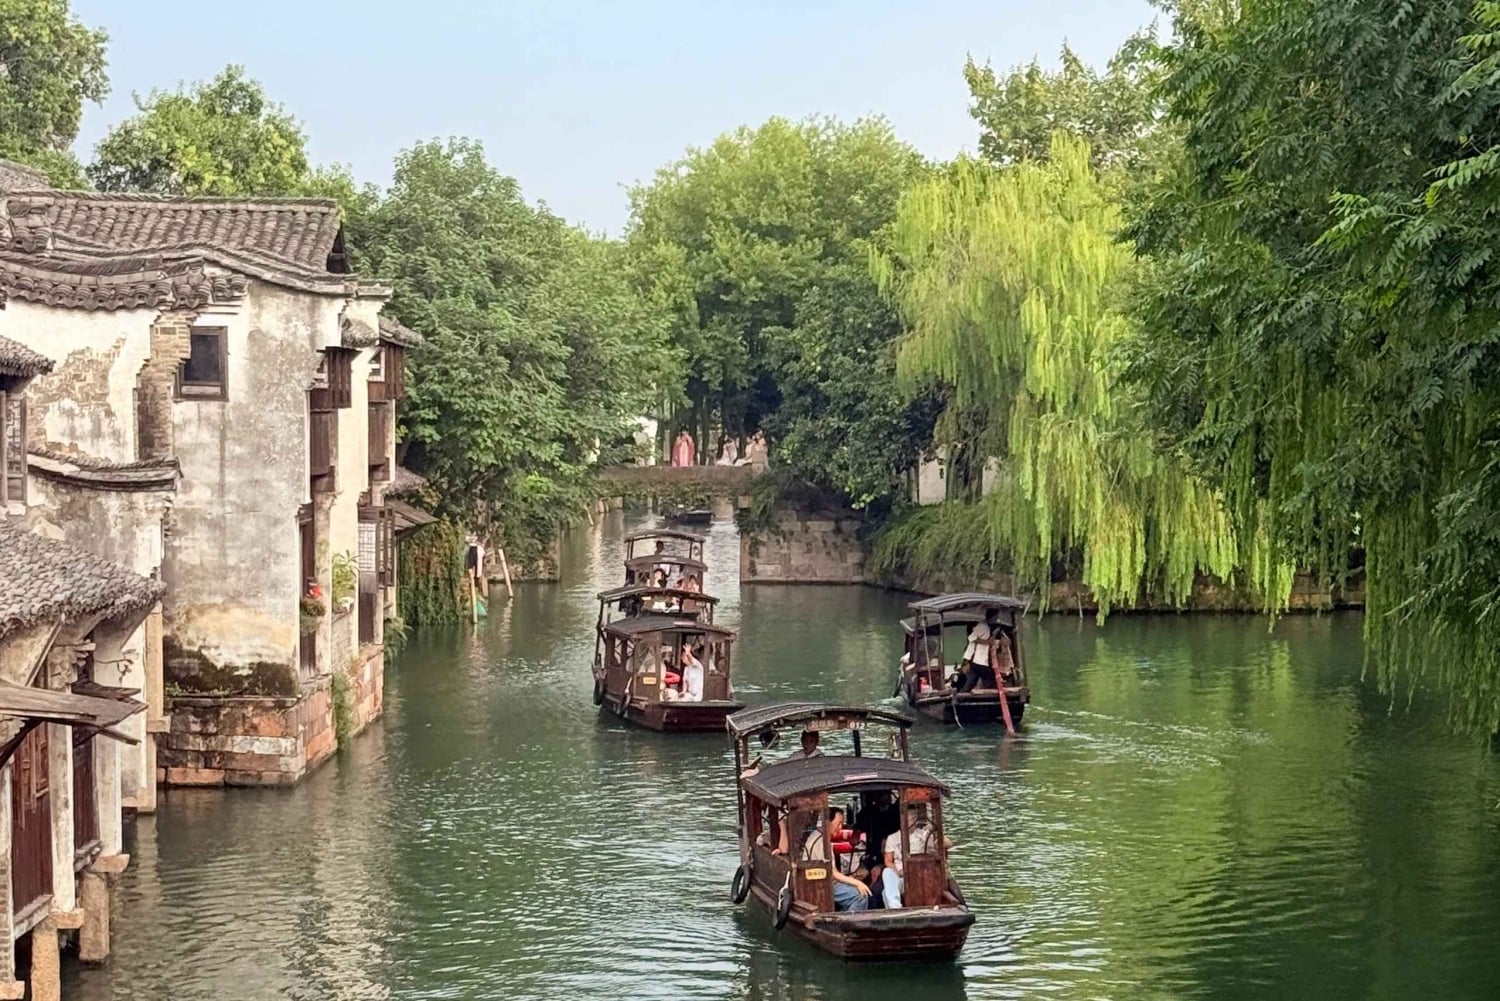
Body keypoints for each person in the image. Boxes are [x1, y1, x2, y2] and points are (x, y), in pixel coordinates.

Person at [803, 808, 870, 912]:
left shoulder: (821, 837)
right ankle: (849, 924)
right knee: (861, 896)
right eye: (838, 823)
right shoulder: (820, 841)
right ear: (828, 822)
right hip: (823, 883)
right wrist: (857, 883)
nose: (840, 827)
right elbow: (832, 873)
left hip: (829, 880)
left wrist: (851, 879)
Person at [881, 803, 944, 909]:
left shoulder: (924, 835)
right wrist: (899, 872)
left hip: (920, 875)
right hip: (900, 876)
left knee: (885, 894)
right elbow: (888, 861)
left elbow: (944, 844)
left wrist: (937, 833)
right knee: (887, 872)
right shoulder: (892, 838)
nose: (911, 820)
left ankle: (894, 909)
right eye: (909, 817)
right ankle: (895, 908)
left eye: (914, 817)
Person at [957, 609, 999, 693]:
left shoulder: (987, 627)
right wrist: (986, 642)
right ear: (992, 617)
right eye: (995, 617)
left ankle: (961, 696)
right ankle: (991, 698)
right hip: (978, 660)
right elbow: (971, 637)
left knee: (970, 682)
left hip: (979, 661)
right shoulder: (982, 626)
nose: (996, 619)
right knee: (990, 681)